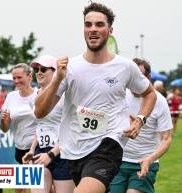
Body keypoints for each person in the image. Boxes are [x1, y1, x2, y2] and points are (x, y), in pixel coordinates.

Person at [34, 2, 157, 193]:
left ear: (110, 30)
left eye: (99, 25)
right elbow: (40, 112)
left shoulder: (125, 67)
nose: (93, 29)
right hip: (75, 149)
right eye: (88, 24)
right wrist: (58, 78)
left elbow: (149, 93)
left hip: (109, 144)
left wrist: (140, 119)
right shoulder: (70, 68)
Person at [110, 58, 172, 193]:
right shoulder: (120, 95)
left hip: (144, 163)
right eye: (132, 76)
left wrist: (149, 160)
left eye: (140, 76)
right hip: (118, 160)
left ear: (148, 78)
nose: (135, 81)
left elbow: (166, 139)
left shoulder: (159, 101)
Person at [22, 55, 75, 193]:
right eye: (37, 69)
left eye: (43, 69)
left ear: (55, 72)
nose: (39, 72)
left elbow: (72, 130)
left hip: (62, 154)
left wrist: (51, 154)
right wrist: (32, 150)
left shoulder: (64, 97)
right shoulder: (33, 98)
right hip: (41, 152)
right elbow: (40, 126)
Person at [0, 63, 38, 193]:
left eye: (19, 77)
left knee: (37, 187)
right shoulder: (11, 96)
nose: (16, 81)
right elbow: (5, 128)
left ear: (29, 76)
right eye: (14, 78)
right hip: (20, 149)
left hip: (37, 148)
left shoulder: (39, 94)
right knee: (20, 189)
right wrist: (2, 119)